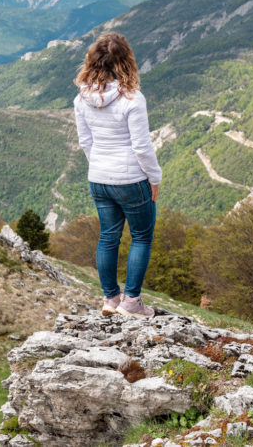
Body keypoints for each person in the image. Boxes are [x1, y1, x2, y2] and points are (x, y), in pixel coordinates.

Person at [73, 32, 161, 317]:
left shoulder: (82, 98)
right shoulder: (132, 99)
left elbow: (85, 142)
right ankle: (132, 302)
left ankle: (111, 299)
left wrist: (99, 165)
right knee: (141, 237)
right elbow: (141, 146)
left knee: (108, 237)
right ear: (126, 62)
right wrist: (155, 178)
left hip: (98, 178)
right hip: (131, 180)